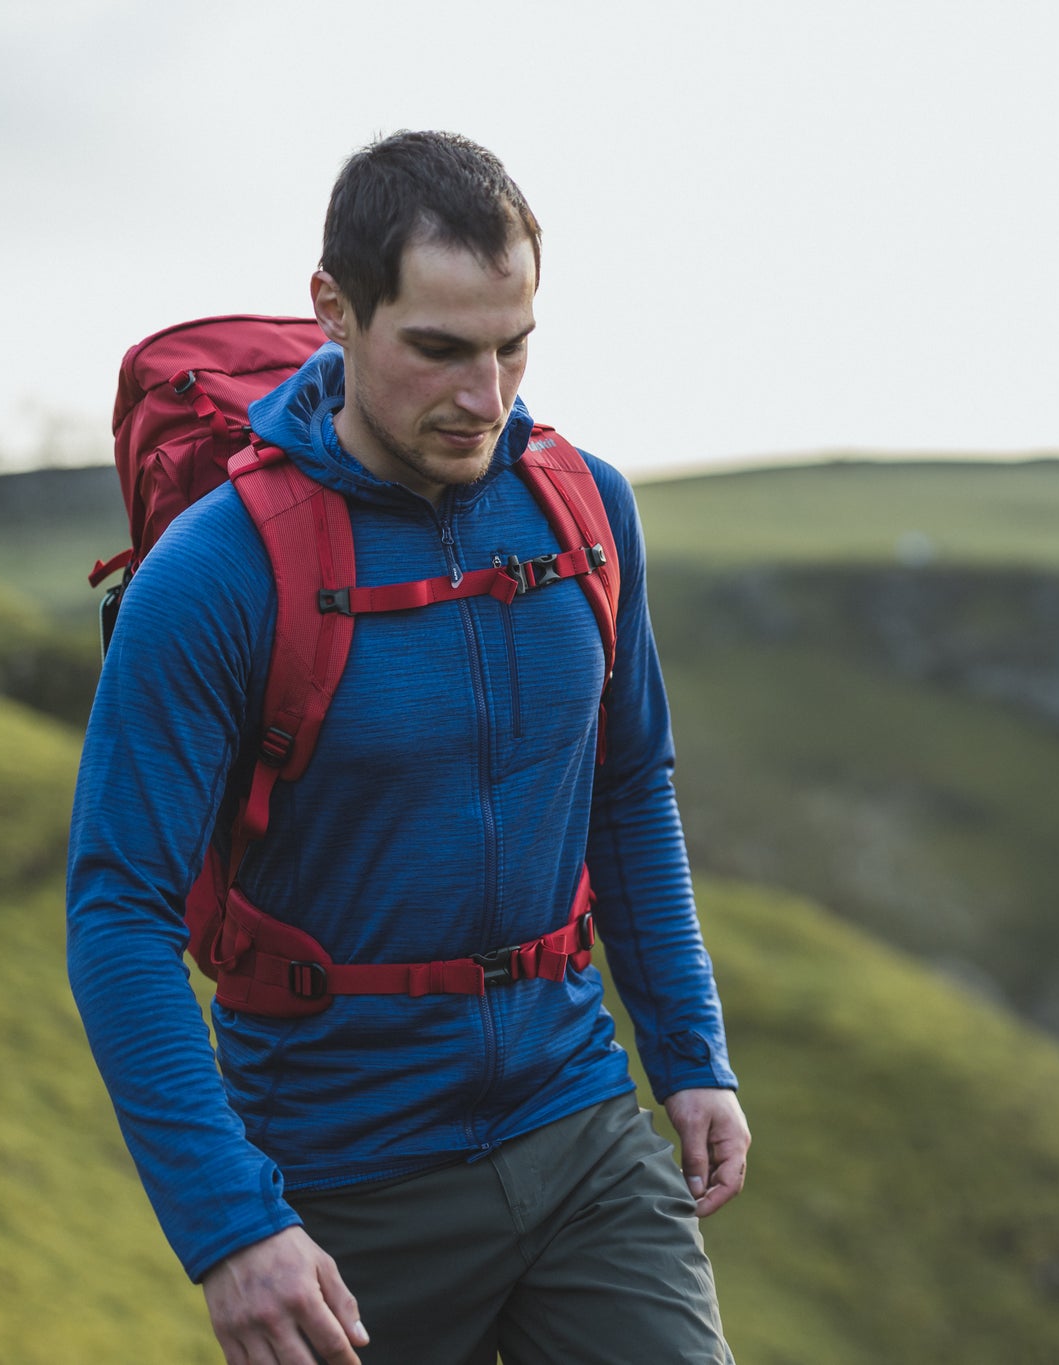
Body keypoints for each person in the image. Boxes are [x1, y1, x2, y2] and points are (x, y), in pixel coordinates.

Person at [67, 130, 747, 1365]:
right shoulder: (215, 575)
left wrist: (690, 1052)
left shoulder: (586, 511)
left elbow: (627, 783)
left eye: (513, 345)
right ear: (333, 307)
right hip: (339, 1185)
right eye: (437, 350)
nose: (486, 399)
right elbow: (119, 915)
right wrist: (230, 1232)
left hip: (577, 1121)